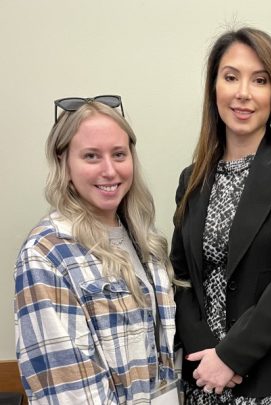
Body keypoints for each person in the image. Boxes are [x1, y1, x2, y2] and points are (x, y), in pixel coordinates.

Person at [170, 27, 271, 404]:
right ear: (214, 89)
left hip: (264, 382)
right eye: (231, 77)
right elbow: (181, 277)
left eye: (259, 80)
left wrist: (230, 356)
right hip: (203, 376)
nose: (243, 93)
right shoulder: (192, 178)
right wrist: (206, 355)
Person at [15, 96, 177, 404]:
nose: (109, 170)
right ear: (64, 162)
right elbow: (68, 390)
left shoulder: (145, 238)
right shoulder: (47, 254)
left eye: (119, 154)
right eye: (91, 156)